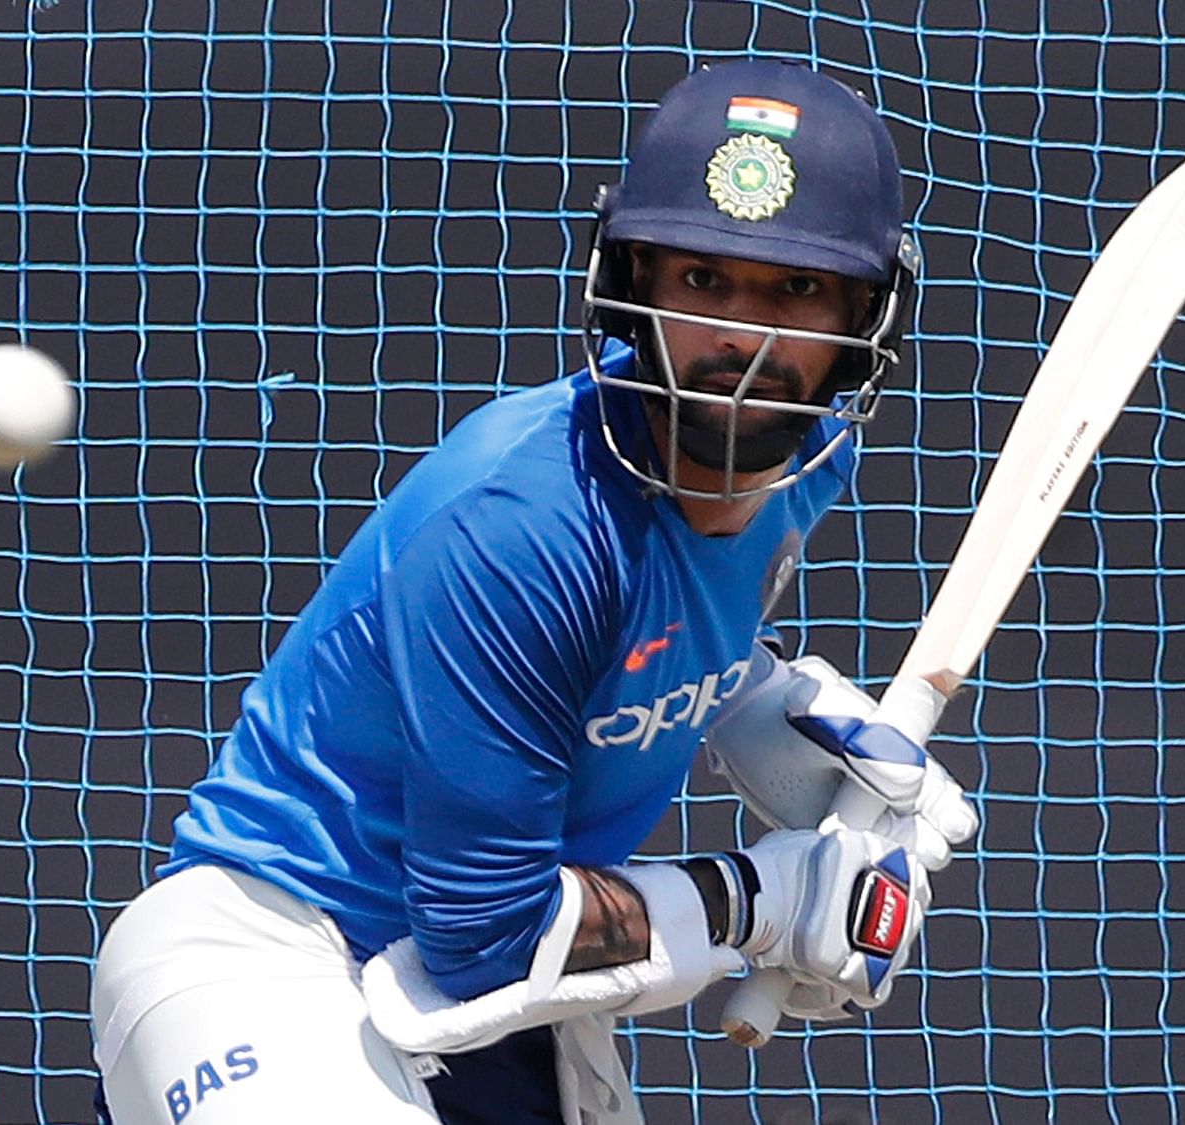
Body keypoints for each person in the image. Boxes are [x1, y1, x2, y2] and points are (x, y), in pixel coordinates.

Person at [88, 59, 978, 1125]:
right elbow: (484, 934)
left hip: (502, 1015)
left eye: (794, 290)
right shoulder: (517, 524)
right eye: (703, 282)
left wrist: (757, 700)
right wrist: (759, 902)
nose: (742, 343)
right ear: (633, 284)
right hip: (277, 952)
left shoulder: (804, 460)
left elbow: (645, 611)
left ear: (861, 319)